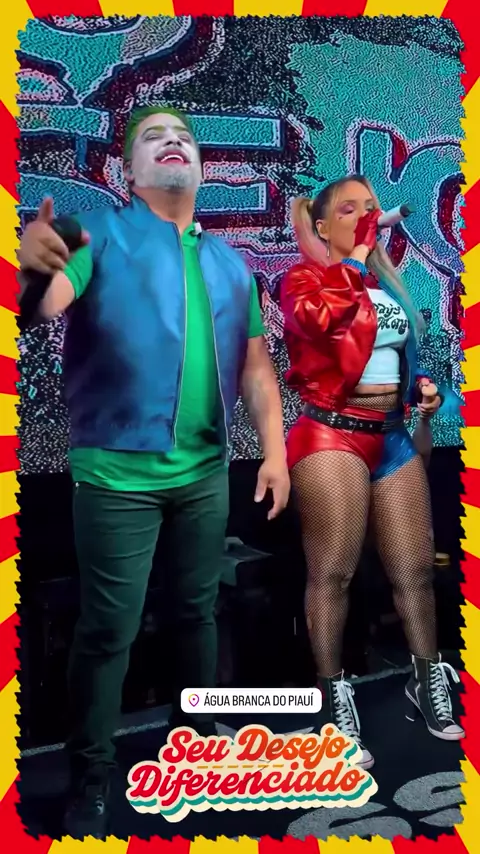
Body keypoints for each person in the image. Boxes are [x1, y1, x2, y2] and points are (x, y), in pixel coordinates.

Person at [18, 105, 290, 838]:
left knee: (197, 615)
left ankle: (194, 745)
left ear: (201, 167)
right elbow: (44, 304)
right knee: (109, 628)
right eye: (153, 137)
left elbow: (256, 369)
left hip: (204, 474)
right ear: (128, 170)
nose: (173, 142)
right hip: (116, 476)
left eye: (184, 137)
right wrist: (33, 273)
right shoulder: (94, 234)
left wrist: (274, 450)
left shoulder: (231, 263)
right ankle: (90, 777)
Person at [280, 174, 464, 771]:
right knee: (333, 572)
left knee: (415, 570)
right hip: (331, 432)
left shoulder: (388, 287)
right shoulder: (304, 281)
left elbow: (393, 359)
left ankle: (425, 681)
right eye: (349, 209)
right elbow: (323, 324)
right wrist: (355, 261)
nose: (365, 216)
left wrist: (420, 395)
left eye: (371, 208)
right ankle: (335, 701)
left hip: (391, 436)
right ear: (323, 225)